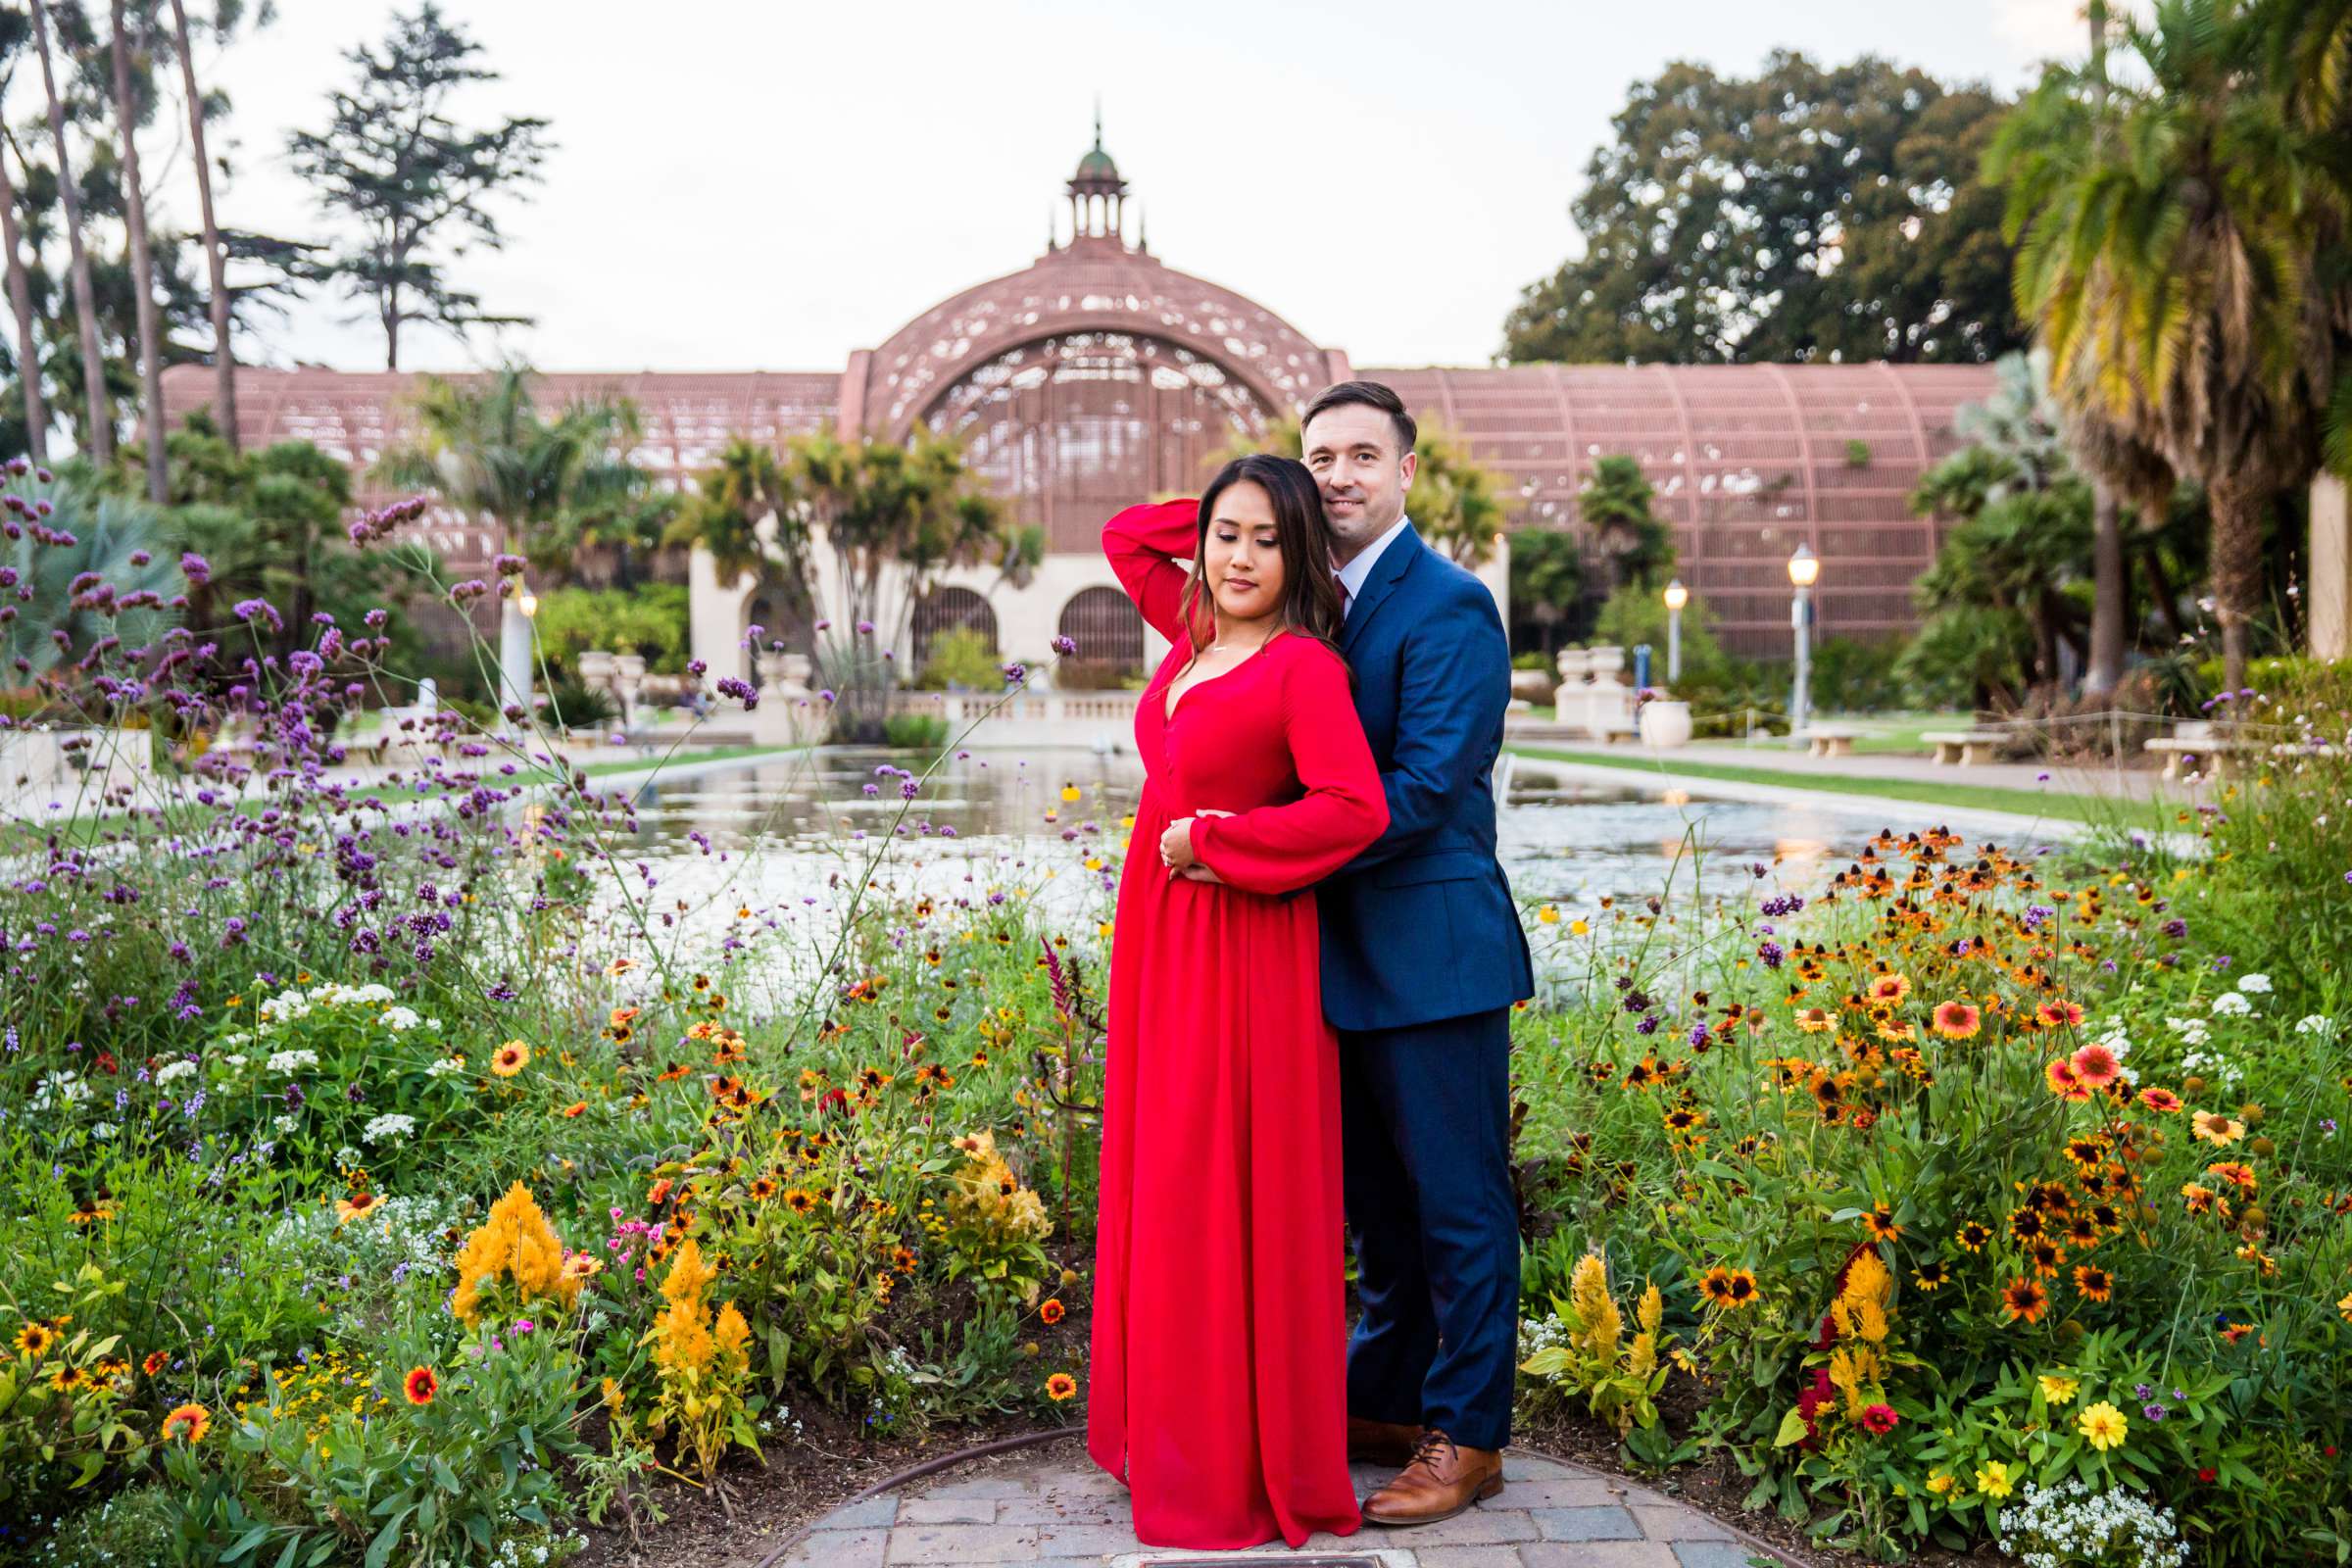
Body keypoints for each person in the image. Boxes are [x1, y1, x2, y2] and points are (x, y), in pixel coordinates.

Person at [1087, 454, 1389, 1550]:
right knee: (1162, 1174)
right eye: (1226, 534)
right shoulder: (1192, 636)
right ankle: (1161, 1434)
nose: (1240, 556)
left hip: (1242, 949)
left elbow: (1354, 808)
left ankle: (1224, 1464)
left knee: (1215, 1186)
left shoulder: (1302, 667)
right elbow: (1128, 532)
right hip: (1164, 949)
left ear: (1301, 549)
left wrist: (1216, 841)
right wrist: (1256, 481)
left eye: (1269, 537)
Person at [1302, 379, 1535, 1527]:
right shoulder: (1314, 607)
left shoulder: (1445, 603)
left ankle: (1471, 1434)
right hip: (1341, 958)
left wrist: (1271, 852)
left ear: (1404, 473)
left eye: (1359, 455)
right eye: (1318, 459)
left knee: (1458, 1206)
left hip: (1435, 952)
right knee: (1379, 1214)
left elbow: (1427, 785)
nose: (1337, 476)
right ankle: (1388, 1398)